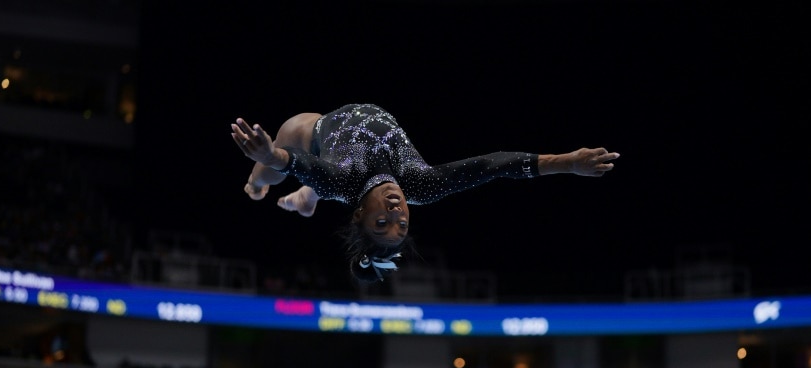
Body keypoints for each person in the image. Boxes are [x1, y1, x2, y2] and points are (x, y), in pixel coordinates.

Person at [230, 104, 619, 283]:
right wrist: (566, 161)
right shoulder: (421, 186)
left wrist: (269, 156)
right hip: (329, 173)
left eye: (382, 222)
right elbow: (492, 166)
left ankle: (284, 192)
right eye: (401, 223)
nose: (398, 212)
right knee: (312, 185)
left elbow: (292, 161)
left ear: (359, 216)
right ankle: (306, 199)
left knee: (264, 178)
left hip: (312, 131)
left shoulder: (343, 182)